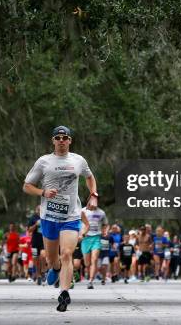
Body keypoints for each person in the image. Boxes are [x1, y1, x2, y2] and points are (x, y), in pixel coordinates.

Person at [23, 125, 98, 312]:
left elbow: (90, 177)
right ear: (53, 141)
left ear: (70, 140)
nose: (62, 140)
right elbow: (27, 186)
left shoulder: (79, 160)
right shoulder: (44, 161)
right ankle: (54, 269)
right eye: (58, 138)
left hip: (71, 216)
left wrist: (94, 194)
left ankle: (64, 293)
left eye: (65, 137)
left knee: (66, 254)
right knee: (52, 258)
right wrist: (43, 192)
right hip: (48, 217)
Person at [81, 205, 108, 289]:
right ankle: (89, 275)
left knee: (95, 259)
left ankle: (90, 281)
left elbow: (105, 224)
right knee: (87, 263)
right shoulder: (82, 211)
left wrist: (105, 231)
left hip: (96, 237)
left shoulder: (101, 212)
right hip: (85, 238)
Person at [28, 205, 47, 285]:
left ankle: (43, 271)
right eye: (38, 210)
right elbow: (29, 230)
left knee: (43, 256)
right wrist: (36, 224)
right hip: (35, 241)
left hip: (44, 240)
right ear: (36, 210)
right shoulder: (33, 218)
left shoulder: (46, 217)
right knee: (35, 259)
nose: (39, 211)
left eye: (41, 209)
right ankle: (38, 275)